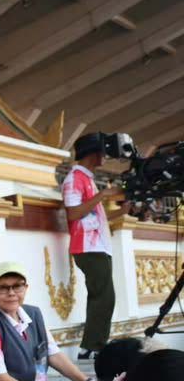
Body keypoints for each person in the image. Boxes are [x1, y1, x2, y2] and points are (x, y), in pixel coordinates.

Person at [62, 133, 125, 359]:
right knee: (104, 296)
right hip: (86, 247)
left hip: (97, 246)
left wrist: (125, 209)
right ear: (93, 153)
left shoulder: (86, 178)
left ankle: (93, 346)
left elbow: (98, 215)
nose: (104, 157)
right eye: (102, 152)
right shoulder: (74, 179)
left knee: (103, 296)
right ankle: (91, 348)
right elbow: (74, 213)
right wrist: (103, 194)